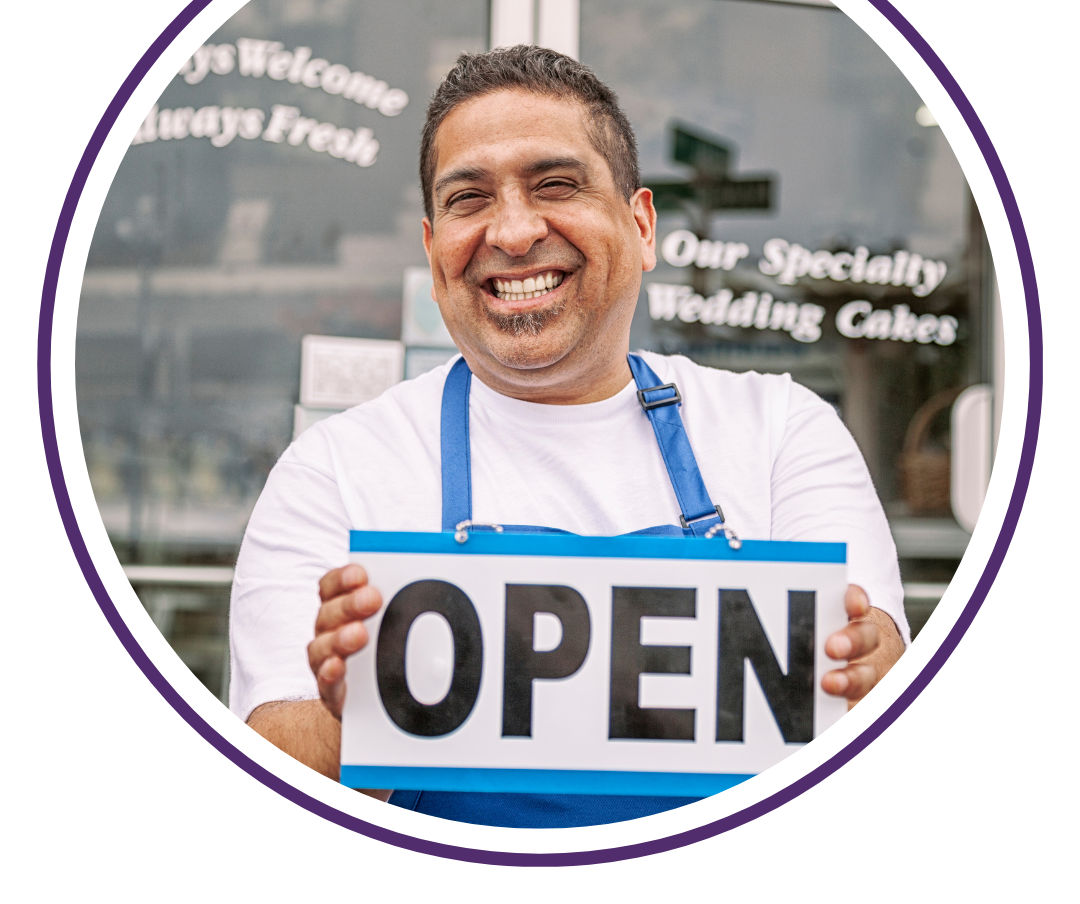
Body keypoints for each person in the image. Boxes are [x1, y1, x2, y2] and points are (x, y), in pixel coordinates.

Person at [230, 45, 907, 828]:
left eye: (555, 184)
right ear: (432, 247)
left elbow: (870, 704)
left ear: (642, 226)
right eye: (468, 199)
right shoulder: (338, 468)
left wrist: (874, 682)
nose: (512, 232)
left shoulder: (781, 431)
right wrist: (359, 721)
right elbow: (270, 790)